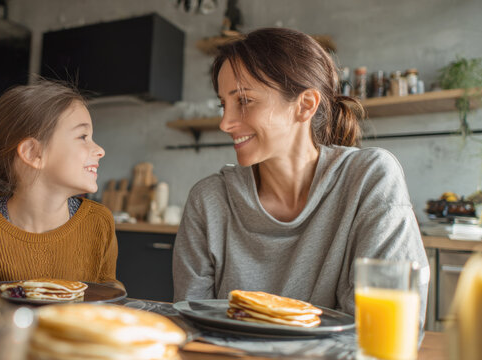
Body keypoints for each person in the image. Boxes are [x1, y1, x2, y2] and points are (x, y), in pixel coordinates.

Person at [172, 28, 429, 317]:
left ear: (305, 105)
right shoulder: (208, 200)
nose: (225, 123)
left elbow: (389, 324)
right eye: (223, 105)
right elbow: (192, 323)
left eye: (244, 101)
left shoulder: (370, 179)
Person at [0, 80, 123, 290]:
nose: (100, 150)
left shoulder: (99, 222)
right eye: (83, 137)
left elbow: (106, 298)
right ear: (33, 153)